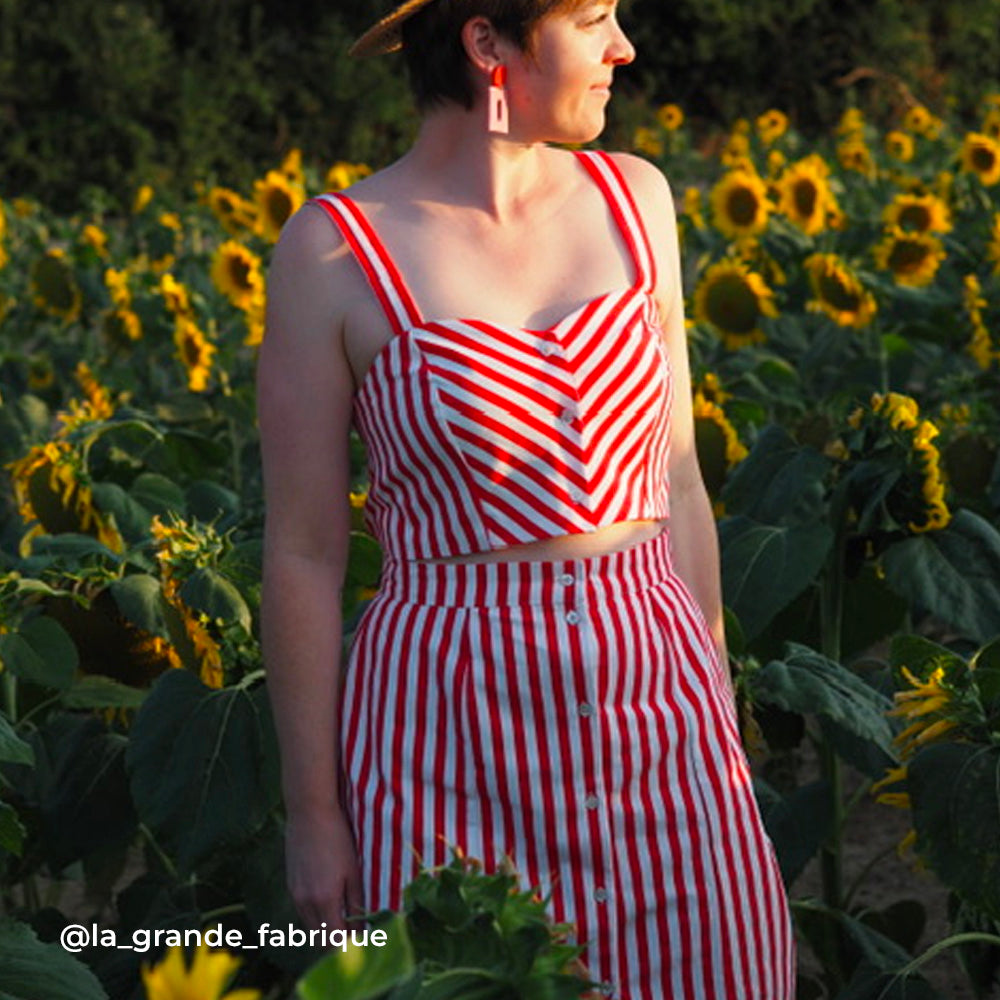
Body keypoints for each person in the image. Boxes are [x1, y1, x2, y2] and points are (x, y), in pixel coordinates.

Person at [257, 0, 795, 996]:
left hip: (663, 723)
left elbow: (678, 480)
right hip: (444, 740)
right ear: (486, 43)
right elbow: (303, 552)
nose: (623, 47)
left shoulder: (637, 199)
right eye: (592, 18)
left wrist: (717, 710)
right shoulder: (333, 251)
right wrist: (314, 812)